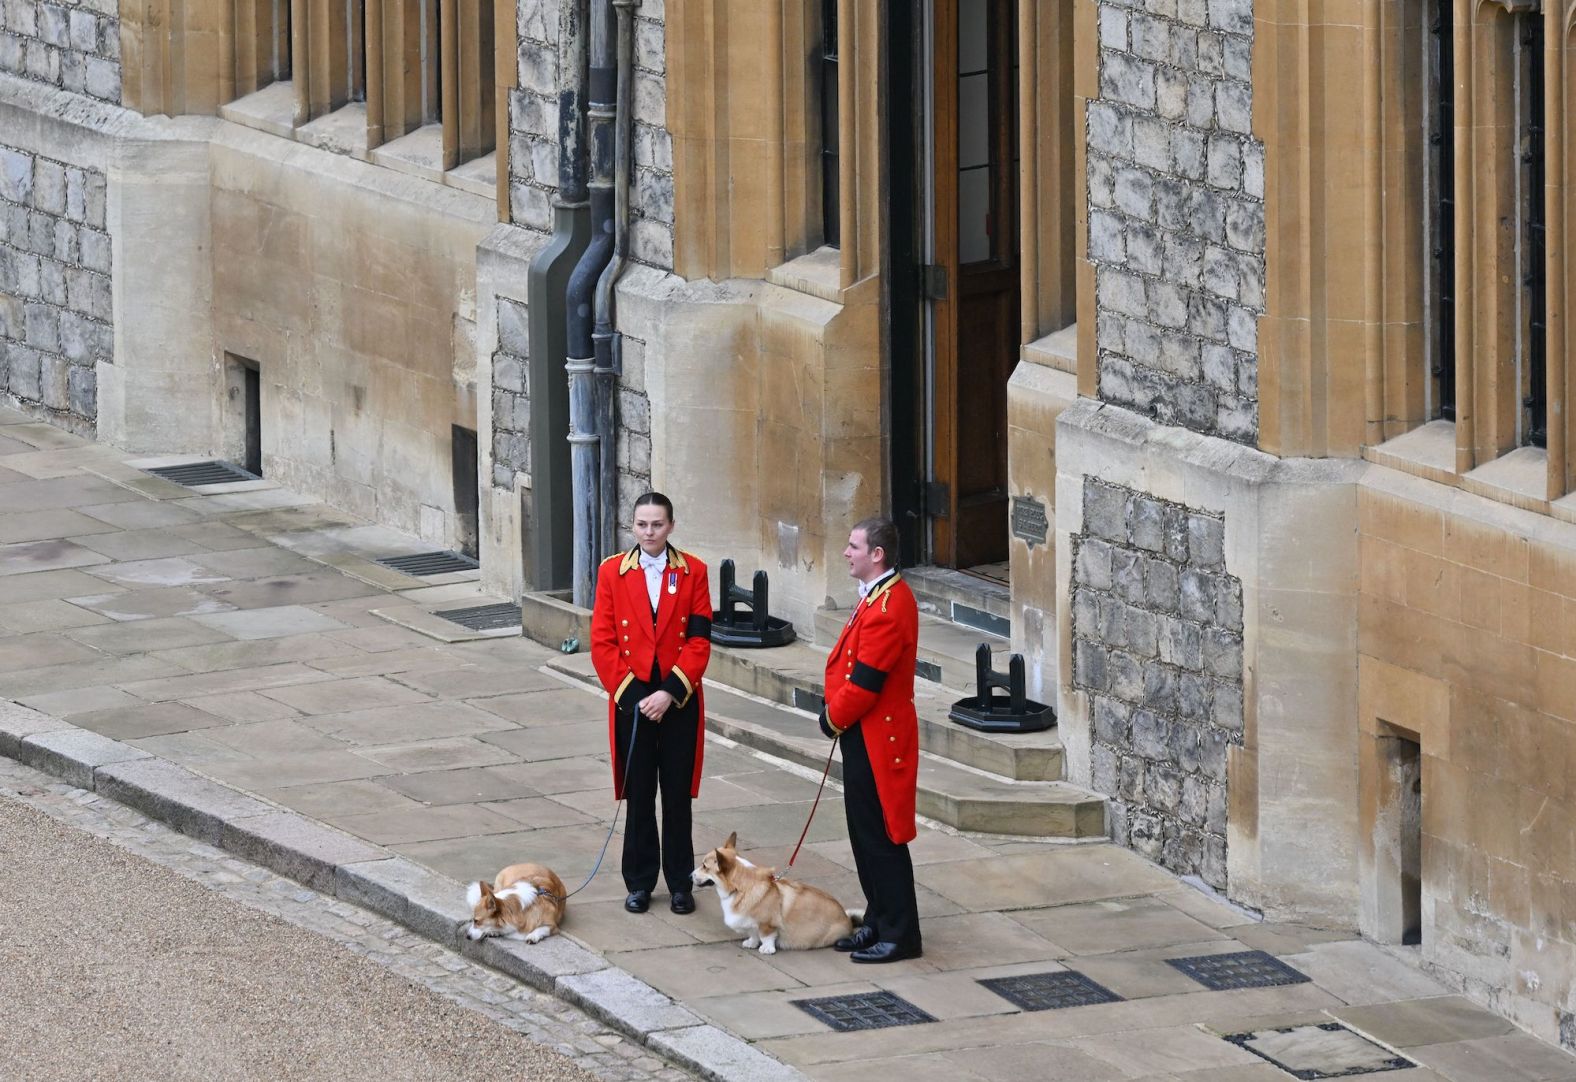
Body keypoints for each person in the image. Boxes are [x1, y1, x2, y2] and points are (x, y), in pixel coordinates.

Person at [590, 492, 713, 915]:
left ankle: (681, 883)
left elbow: (699, 640)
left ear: (671, 526)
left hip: (677, 700)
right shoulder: (611, 572)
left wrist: (670, 693)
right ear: (633, 526)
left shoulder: (693, 571)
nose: (649, 532)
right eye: (642, 524)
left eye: (657, 525)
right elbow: (602, 643)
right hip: (633, 701)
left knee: (677, 795)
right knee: (639, 794)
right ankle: (640, 882)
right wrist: (637, 696)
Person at [818, 516, 922, 963]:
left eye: (853, 546)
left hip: (879, 737)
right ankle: (879, 918)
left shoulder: (886, 608)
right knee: (863, 833)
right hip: (864, 733)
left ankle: (901, 933)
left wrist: (831, 719)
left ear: (876, 555)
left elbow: (864, 684)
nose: (846, 552)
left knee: (882, 837)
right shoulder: (876, 598)